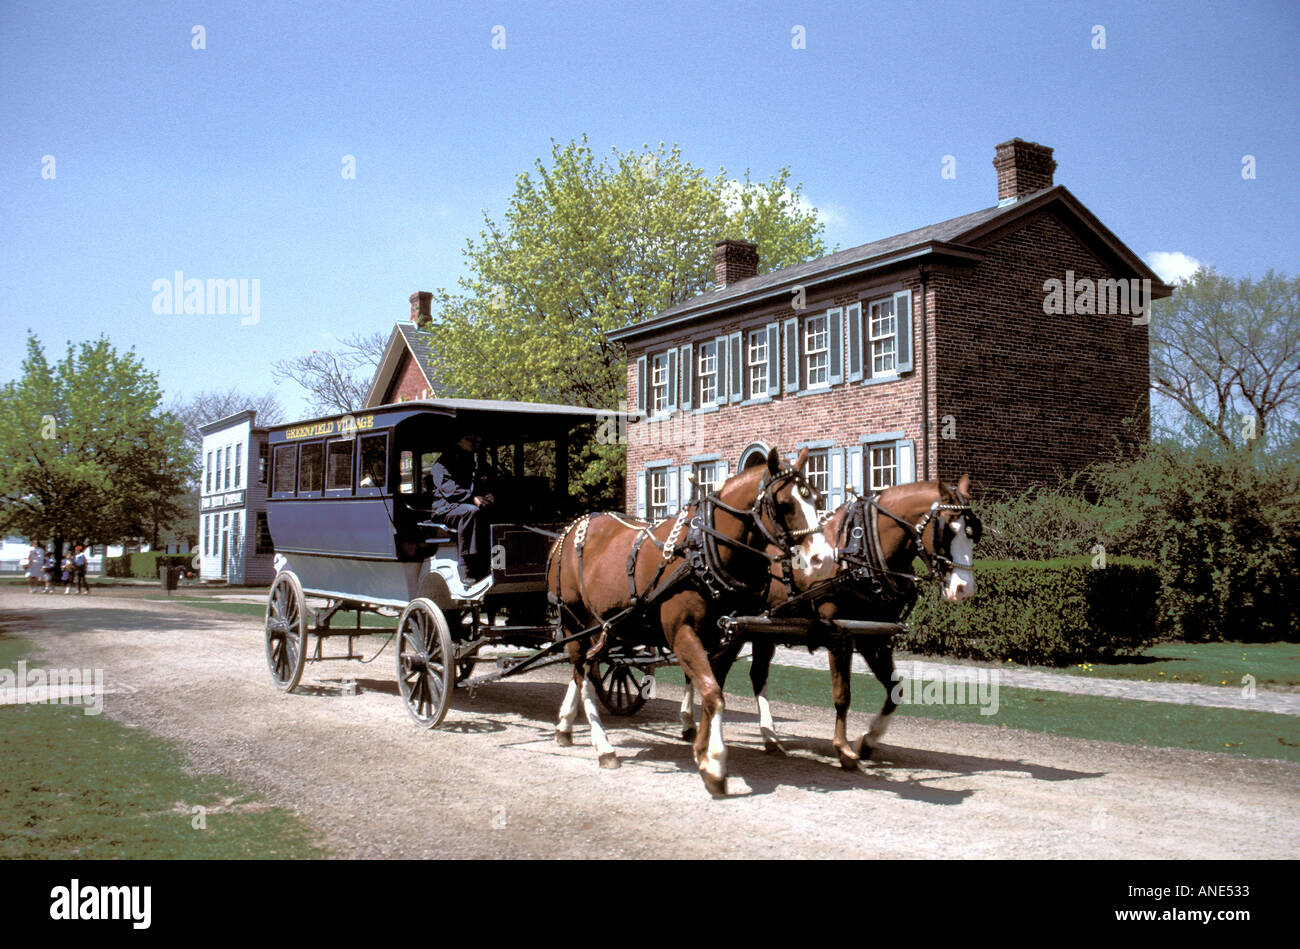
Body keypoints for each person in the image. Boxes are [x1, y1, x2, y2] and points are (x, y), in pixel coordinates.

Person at [428, 433, 495, 583]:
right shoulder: (441, 464)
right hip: (444, 509)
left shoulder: (474, 463)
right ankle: (465, 567)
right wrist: (472, 498)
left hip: (465, 504)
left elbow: (485, 481)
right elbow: (450, 490)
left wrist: (489, 494)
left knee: (490, 511)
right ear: (458, 441)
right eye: (470, 440)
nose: (474, 443)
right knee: (470, 512)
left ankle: (492, 563)